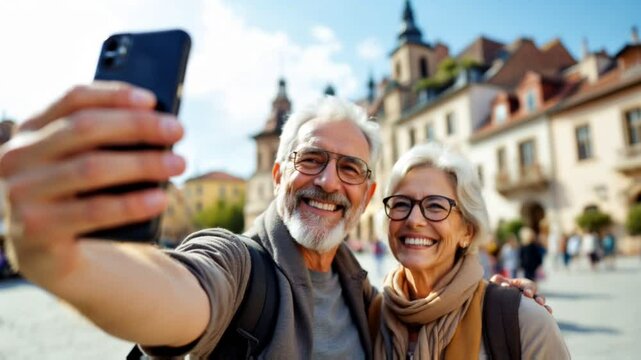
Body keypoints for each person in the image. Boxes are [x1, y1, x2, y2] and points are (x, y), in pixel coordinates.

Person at [0, 82, 544, 358]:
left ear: (368, 192)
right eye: (311, 160)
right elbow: (181, 290)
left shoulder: (371, 299)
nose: (329, 182)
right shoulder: (239, 262)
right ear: (279, 172)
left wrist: (492, 297)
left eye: (350, 169)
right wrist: (65, 261)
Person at [372, 144, 569, 359]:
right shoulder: (369, 317)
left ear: (468, 230)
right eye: (401, 203)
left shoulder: (525, 321)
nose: (414, 220)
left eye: (435, 206)